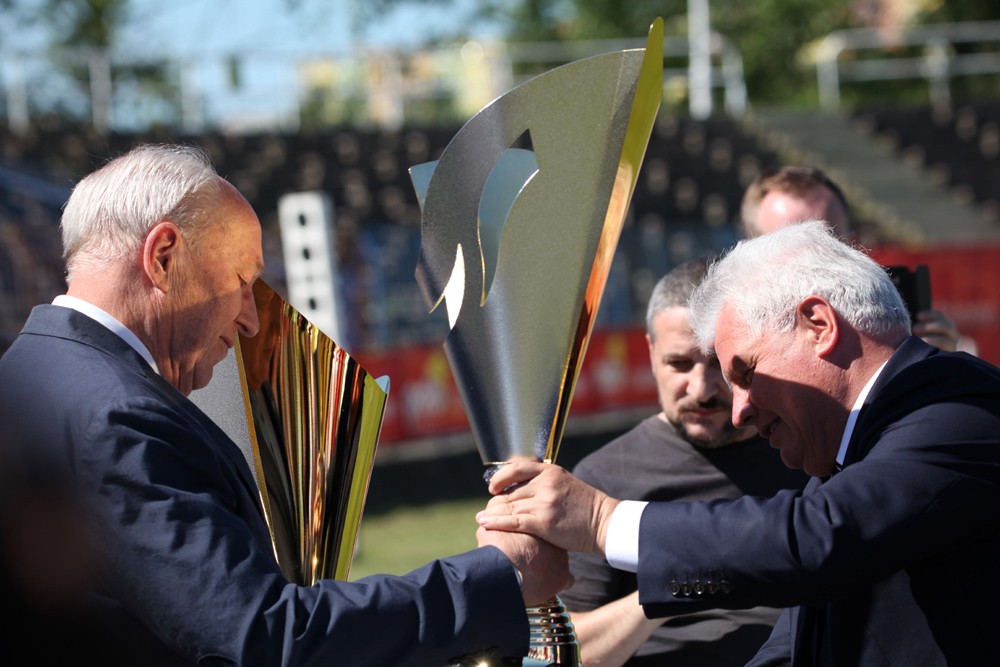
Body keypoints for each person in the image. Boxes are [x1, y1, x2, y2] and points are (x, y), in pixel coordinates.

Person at [0, 143, 570, 666]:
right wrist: (503, 576)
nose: (251, 319)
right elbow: (265, 637)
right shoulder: (118, 418)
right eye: (242, 280)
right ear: (164, 257)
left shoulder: (27, 377)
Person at [478, 220, 1000, 665]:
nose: (738, 409)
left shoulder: (960, 408)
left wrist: (601, 520)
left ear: (818, 325)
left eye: (745, 373)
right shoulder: (848, 451)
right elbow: (797, 641)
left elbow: (817, 539)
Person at [561, 258, 806, 667]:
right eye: (679, 364)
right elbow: (569, 650)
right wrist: (672, 582)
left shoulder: (804, 452)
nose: (701, 389)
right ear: (650, 352)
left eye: (718, 364)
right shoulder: (603, 477)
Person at [740, 165, 961, 352]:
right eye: (792, 247)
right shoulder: (733, 353)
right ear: (750, 255)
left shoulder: (885, 330)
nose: (813, 264)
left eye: (829, 244)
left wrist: (934, 370)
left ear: (853, 247)